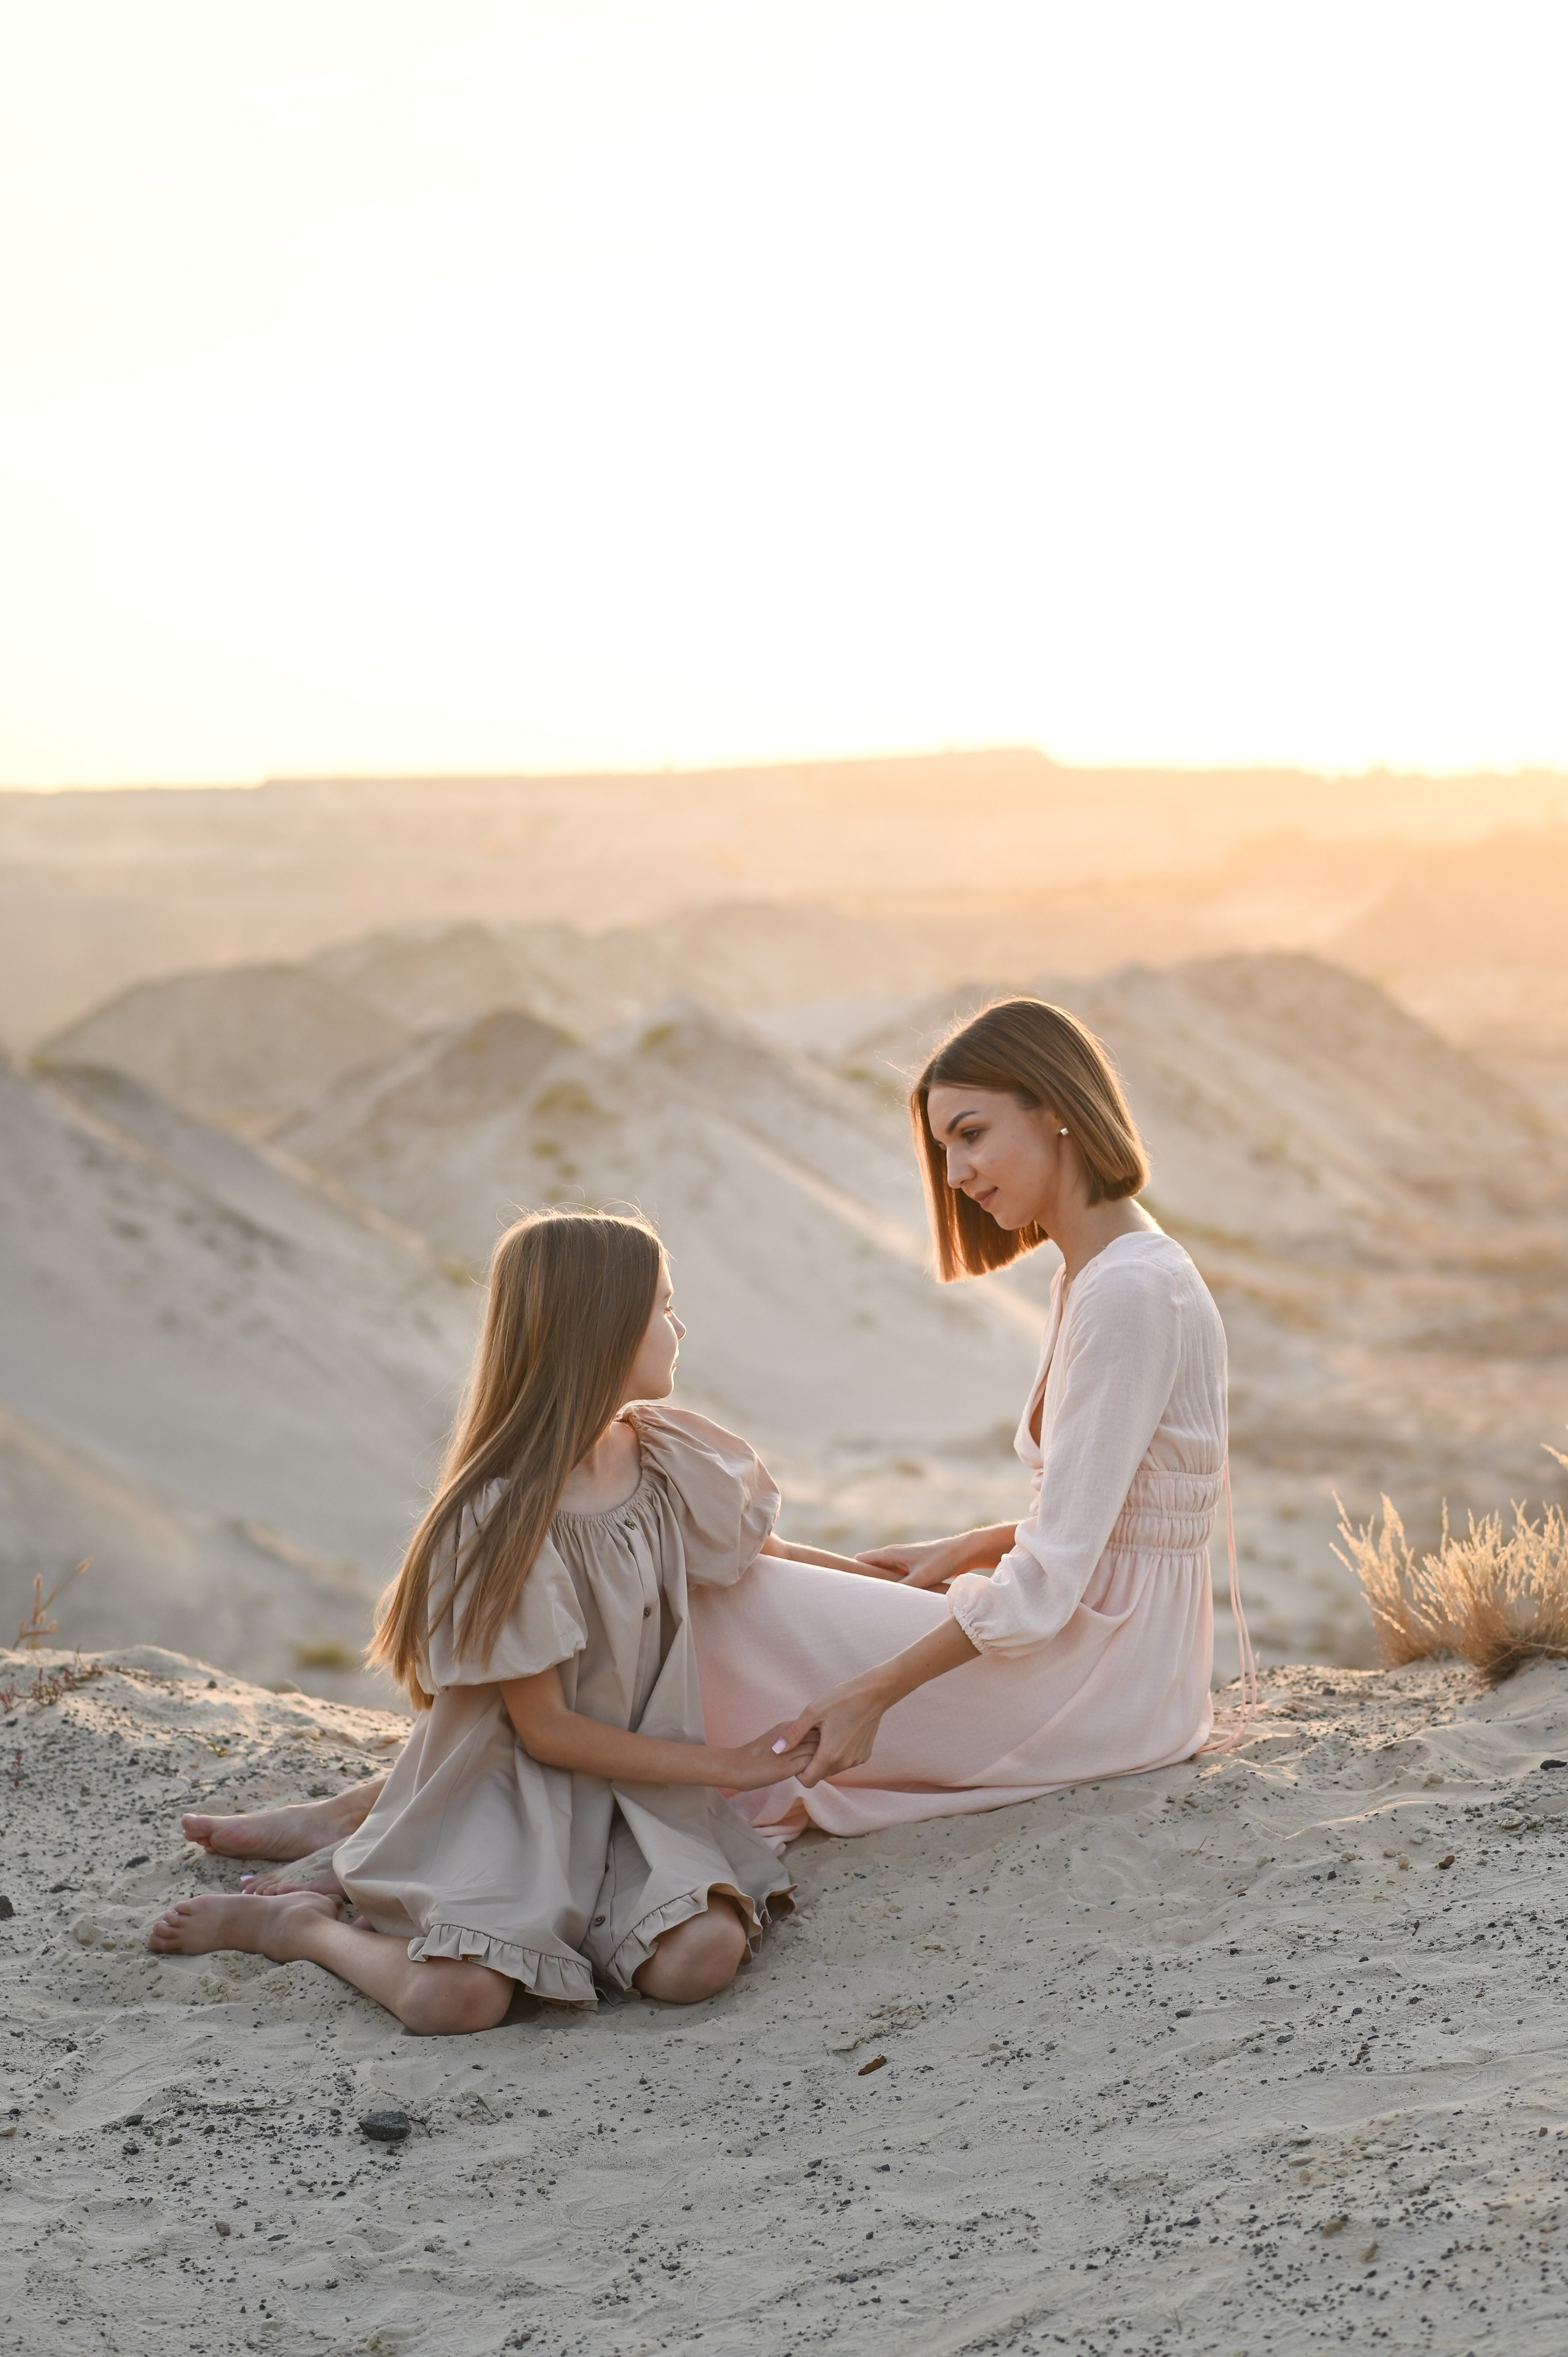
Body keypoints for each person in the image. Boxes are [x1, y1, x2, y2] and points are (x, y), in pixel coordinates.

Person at [183, 996, 1244, 1887]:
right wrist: (972, 1546)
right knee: (682, 1567)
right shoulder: (1104, 1274)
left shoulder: (1125, 1293)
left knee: (701, 1589)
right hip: (1111, 1656)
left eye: (971, 1133)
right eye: (943, 1145)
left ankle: (383, 1817)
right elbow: (1122, 1504)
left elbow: (1052, 1584)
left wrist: (872, 1692)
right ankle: (388, 1803)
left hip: (1099, 1688)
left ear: (1055, 1113)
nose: (958, 1171)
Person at [149, 1209, 828, 2031]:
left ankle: (355, 1826)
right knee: (457, 2000)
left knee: (699, 1962)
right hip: (516, 1796)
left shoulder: (665, 1454)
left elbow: (764, 1557)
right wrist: (737, 1764)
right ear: (602, 1328)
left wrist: (921, 1567)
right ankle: (296, 1930)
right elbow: (546, 1734)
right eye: (665, 1306)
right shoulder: (501, 1516)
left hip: (637, 1795)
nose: (681, 1327)